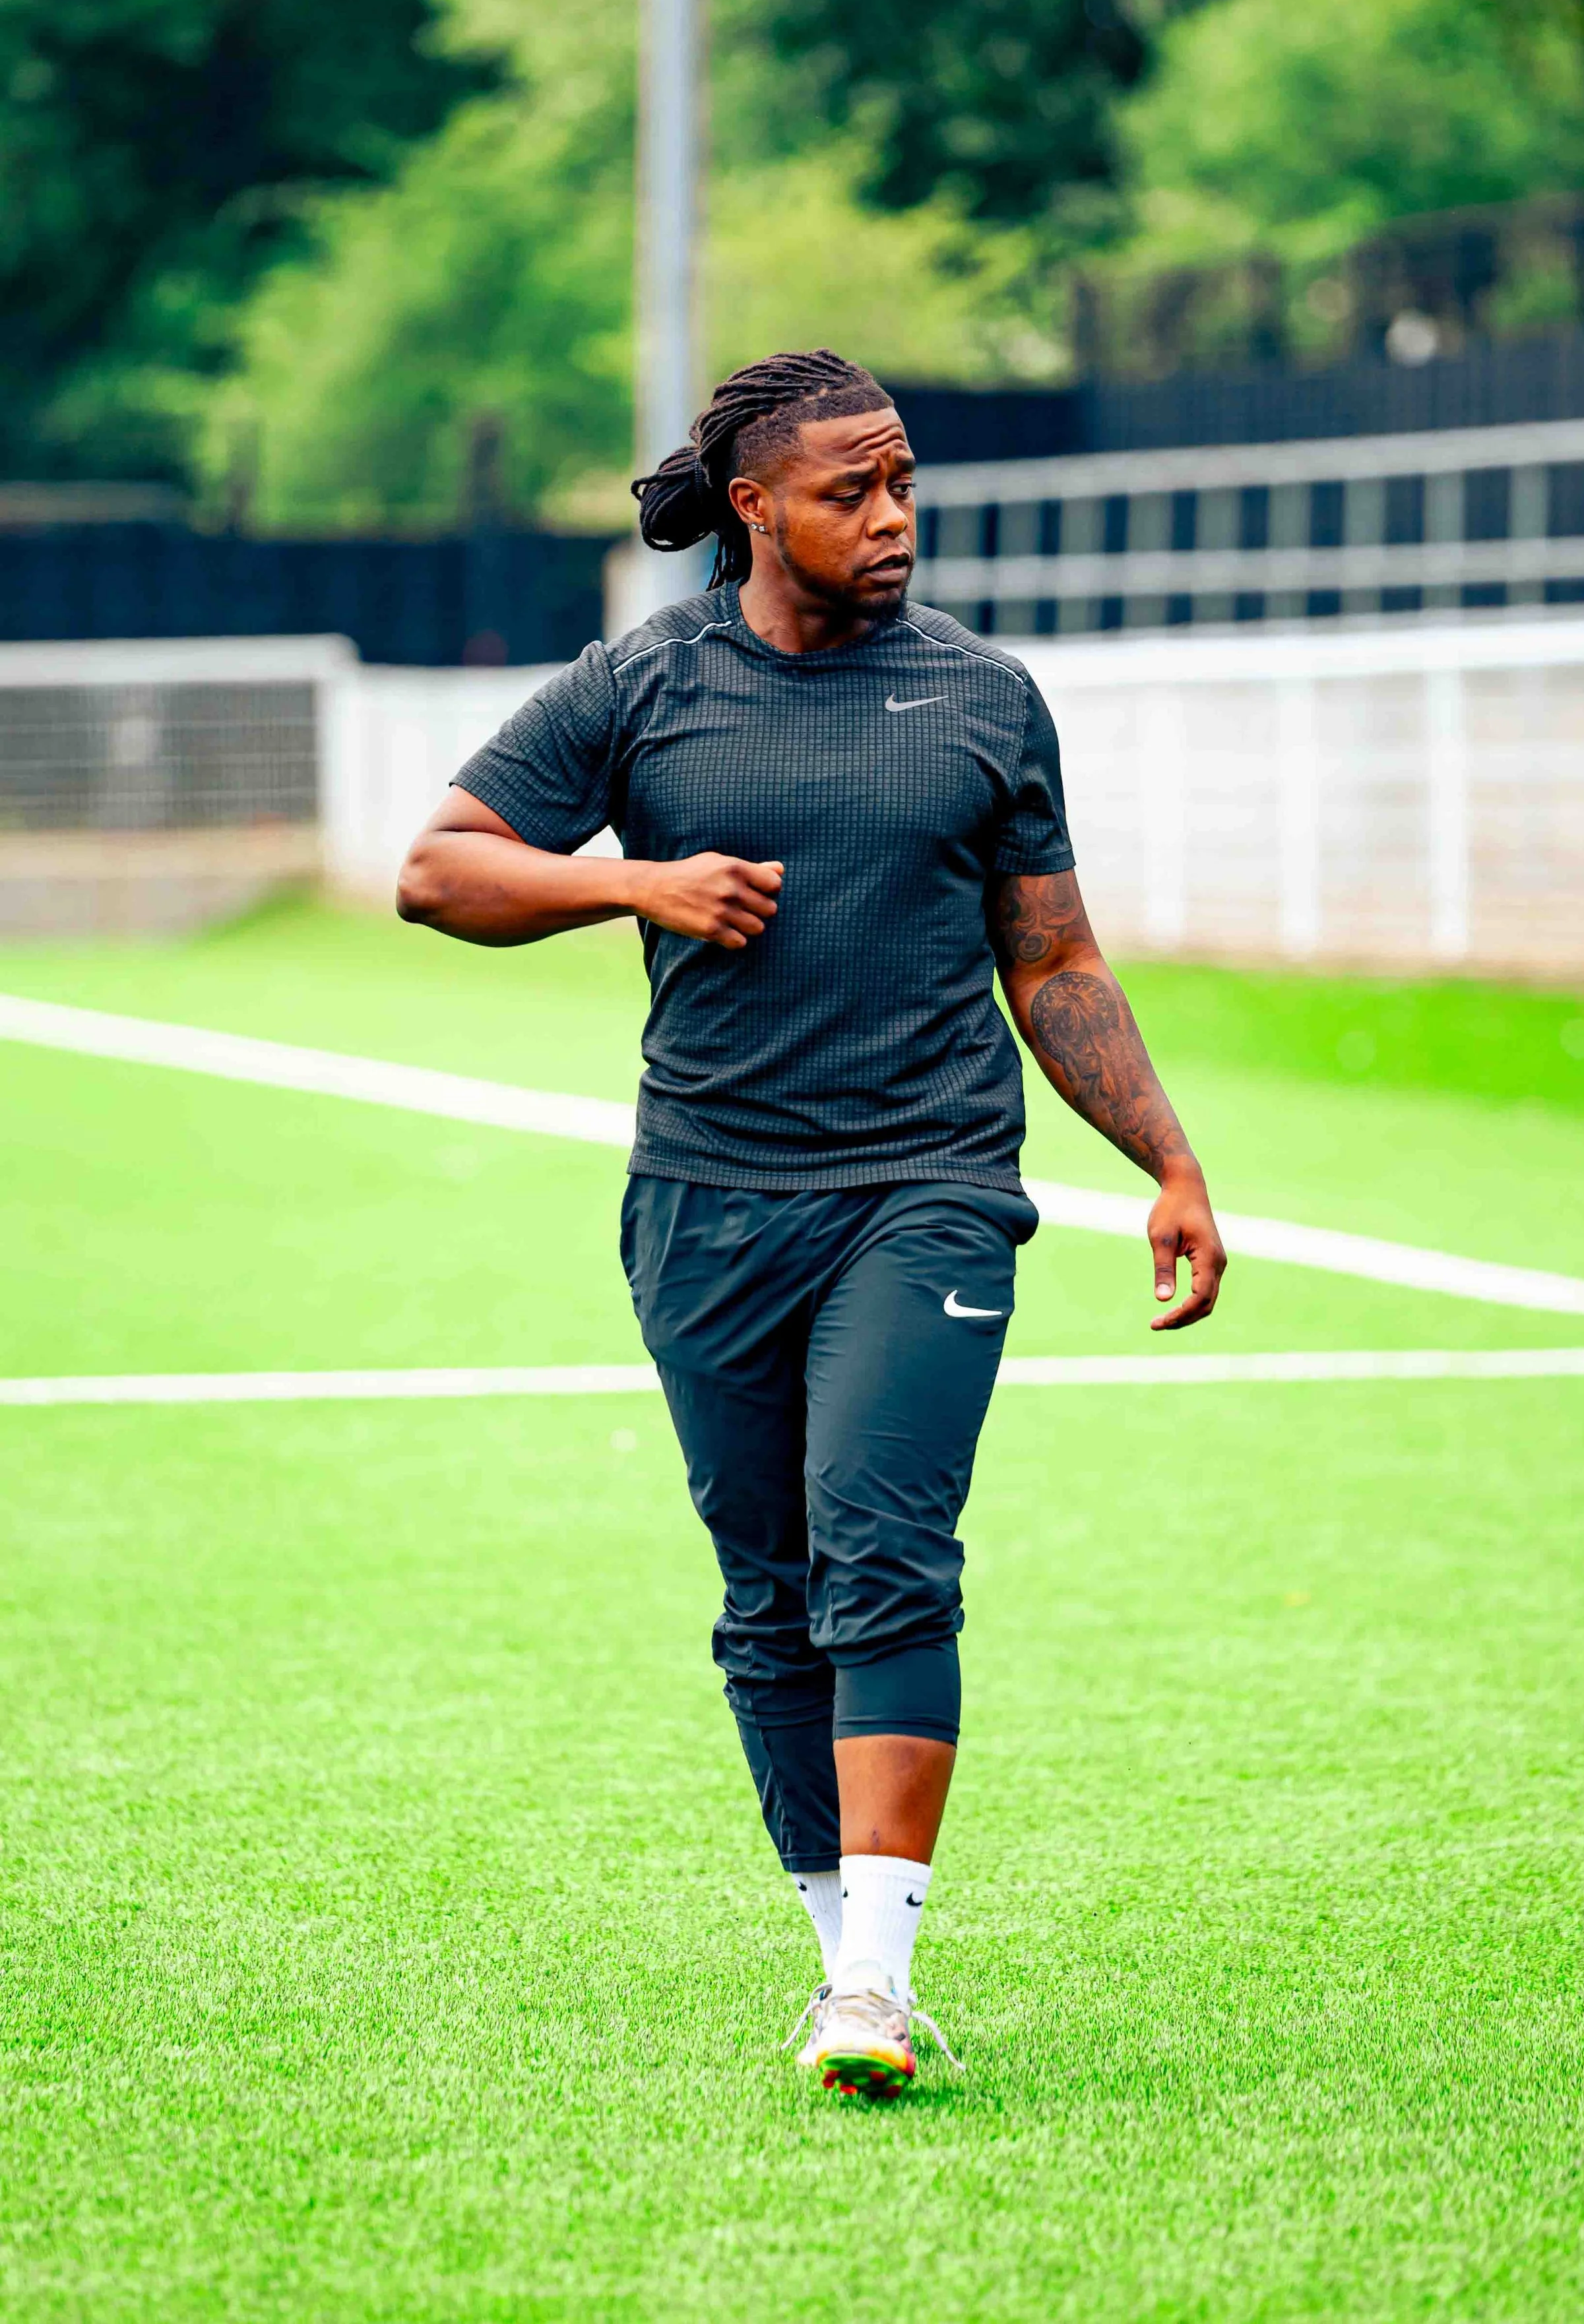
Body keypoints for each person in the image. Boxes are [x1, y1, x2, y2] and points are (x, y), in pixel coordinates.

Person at [395, 348, 1226, 2098]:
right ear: (755, 506)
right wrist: (636, 881)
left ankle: (876, 1985)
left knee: (884, 1548)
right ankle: (840, 1949)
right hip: (705, 1202)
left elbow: (1055, 961)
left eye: (905, 481)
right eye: (855, 491)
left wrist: (1169, 1160)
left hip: (928, 1187)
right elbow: (439, 869)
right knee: (769, 1594)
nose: (895, 517)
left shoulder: (985, 698)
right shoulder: (642, 686)